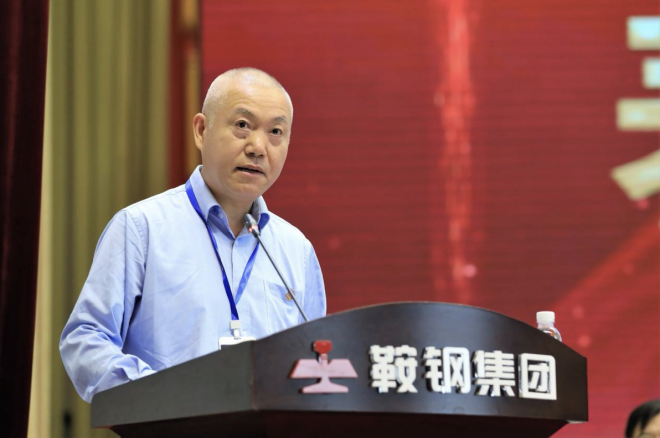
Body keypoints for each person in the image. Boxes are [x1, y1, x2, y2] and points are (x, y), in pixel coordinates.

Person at [60, 67, 326, 403]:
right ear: (201, 130)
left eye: (276, 131)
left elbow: (316, 360)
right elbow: (86, 340)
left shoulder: (295, 249)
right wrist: (163, 397)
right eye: (242, 125)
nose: (258, 147)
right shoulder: (140, 229)